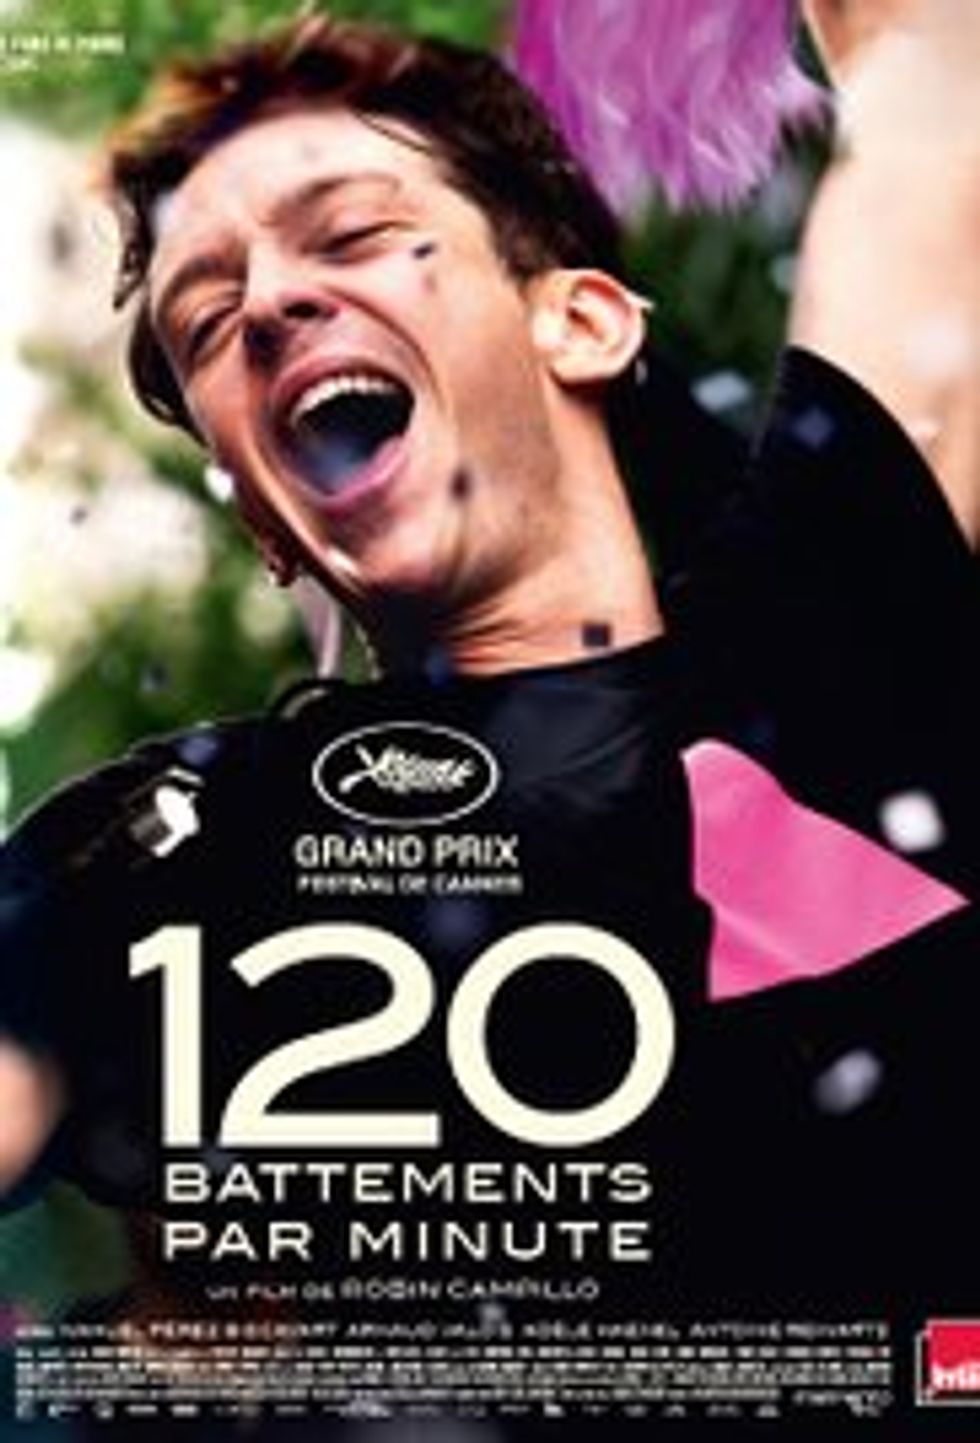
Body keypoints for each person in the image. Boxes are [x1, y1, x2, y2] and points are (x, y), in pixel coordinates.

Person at [1, 0, 979, 1413]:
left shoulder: (838, 619)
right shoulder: (166, 852)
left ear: (582, 321)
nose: (267, 305)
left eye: (350, 234)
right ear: (267, 525)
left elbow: (935, 67)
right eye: (208, 318)